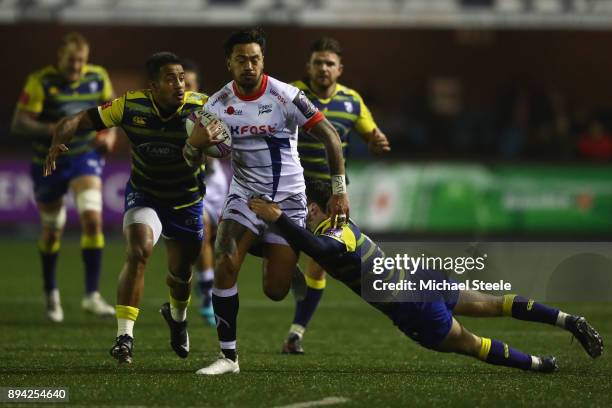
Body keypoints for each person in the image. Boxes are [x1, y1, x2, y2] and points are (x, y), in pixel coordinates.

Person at [248, 181, 604, 373]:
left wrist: (278, 217)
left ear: (313, 207)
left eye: (303, 209)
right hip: (420, 279)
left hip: (411, 306)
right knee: (497, 304)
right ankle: (566, 319)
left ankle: (542, 365)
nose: (301, 216)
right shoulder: (334, 228)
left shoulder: (336, 231)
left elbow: (320, 249)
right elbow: (303, 245)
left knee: (473, 344)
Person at [186, 28, 349, 375]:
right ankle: (228, 357)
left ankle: (281, 263)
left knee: (274, 290)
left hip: (288, 200)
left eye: (255, 58)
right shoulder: (216, 104)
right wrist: (194, 145)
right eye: (241, 59)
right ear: (229, 63)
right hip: (244, 195)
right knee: (226, 259)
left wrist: (339, 190)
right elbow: (196, 152)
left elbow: (330, 137)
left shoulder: (287, 95)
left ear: (263, 60)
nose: (249, 65)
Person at [44, 52, 211, 364]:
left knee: (181, 274)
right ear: (152, 86)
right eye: (170, 78)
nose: (179, 83)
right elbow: (78, 120)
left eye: (181, 77)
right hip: (145, 194)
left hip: (186, 201)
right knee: (138, 251)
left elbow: (224, 143)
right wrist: (57, 139)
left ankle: (177, 318)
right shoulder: (130, 105)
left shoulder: (201, 106)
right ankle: (124, 336)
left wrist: (209, 144)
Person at [284, 37, 391, 353]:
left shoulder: (352, 101)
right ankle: (287, 270)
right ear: (309, 67)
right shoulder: (291, 94)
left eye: (329, 63)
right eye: (318, 62)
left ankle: (295, 334)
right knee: (279, 251)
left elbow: (371, 132)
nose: (323, 69)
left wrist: (376, 140)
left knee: (321, 262)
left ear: (339, 69)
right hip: (291, 187)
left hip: (331, 194)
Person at [11, 32, 117, 322]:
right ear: (60, 58)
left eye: (81, 60)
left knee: (92, 218)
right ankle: (51, 293)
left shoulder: (98, 77)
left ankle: (92, 296)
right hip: (50, 161)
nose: (76, 66)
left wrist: (108, 136)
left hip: (84, 157)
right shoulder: (41, 81)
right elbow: (19, 123)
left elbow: (113, 112)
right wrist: (55, 130)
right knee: (53, 228)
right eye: (71, 60)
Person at [182, 58, 230, 326]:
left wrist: (203, 148)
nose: (184, 88)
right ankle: (207, 294)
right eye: (181, 83)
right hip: (189, 182)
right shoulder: (171, 112)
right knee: (203, 232)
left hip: (214, 183)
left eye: (189, 84)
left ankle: (210, 289)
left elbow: (218, 151)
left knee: (220, 241)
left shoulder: (209, 109)